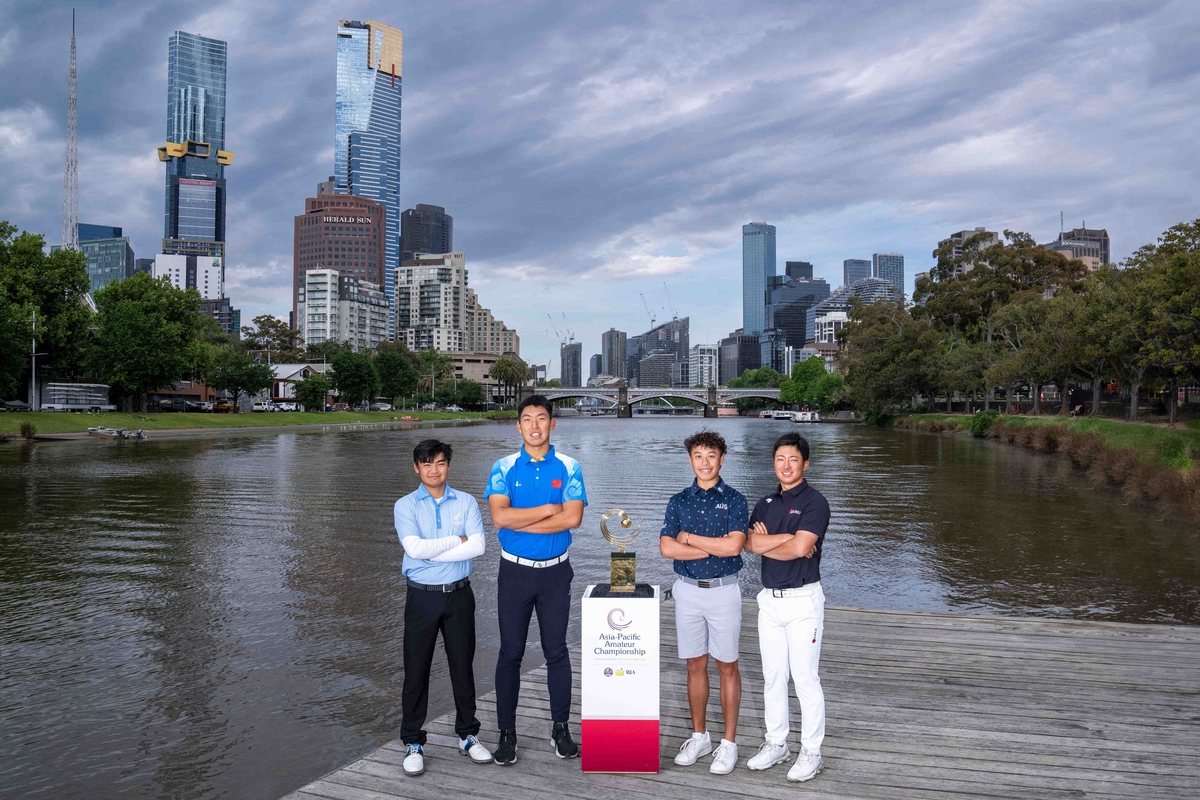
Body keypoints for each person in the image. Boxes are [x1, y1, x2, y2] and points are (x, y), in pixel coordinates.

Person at [484, 395, 587, 766]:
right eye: (527, 419)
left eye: (541, 418)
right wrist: (546, 509)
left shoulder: (571, 466)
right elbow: (499, 519)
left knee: (556, 651)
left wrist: (520, 516)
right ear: (518, 426)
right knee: (510, 653)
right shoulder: (503, 466)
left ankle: (560, 729)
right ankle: (506, 733)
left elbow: (572, 519)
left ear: (552, 423)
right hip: (514, 572)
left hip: (557, 573)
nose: (534, 425)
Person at [393, 439, 493, 777]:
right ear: (416, 468)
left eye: (440, 463)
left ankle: (467, 735)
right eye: (427, 464)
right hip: (421, 596)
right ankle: (413, 741)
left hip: (459, 596)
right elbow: (414, 547)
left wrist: (431, 552)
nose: (434, 470)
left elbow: (478, 546)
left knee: (462, 668)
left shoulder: (465, 501)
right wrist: (456, 541)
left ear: (448, 465)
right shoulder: (405, 505)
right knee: (416, 670)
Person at [659, 430, 749, 776]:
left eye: (712, 455)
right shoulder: (678, 500)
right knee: (695, 665)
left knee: (727, 665)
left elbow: (734, 548)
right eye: (699, 455)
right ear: (690, 460)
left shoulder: (736, 500)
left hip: (724, 590)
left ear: (722, 459)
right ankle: (700, 736)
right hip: (687, 590)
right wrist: (714, 544)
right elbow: (667, 549)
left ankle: (729, 743)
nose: (705, 462)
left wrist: (689, 539)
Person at [743, 432, 830, 783]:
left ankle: (812, 750)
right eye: (781, 459)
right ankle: (776, 743)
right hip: (769, 602)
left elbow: (800, 550)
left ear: (805, 464)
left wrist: (777, 543)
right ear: (774, 463)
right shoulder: (765, 503)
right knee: (773, 677)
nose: (786, 465)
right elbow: (748, 543)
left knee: (805, 679)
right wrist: (785, 540)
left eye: (793, 459)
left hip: (802, 601)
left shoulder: (815, 502)